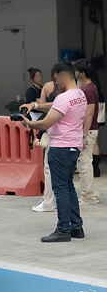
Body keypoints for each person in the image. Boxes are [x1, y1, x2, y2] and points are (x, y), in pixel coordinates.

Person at [21, 63, 86, 243]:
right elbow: (55, 106)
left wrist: (28, 123)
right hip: (74, 147)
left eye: (56, 80)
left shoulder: (64, 98)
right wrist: (34, 105)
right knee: (68, 186)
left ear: (62, 76)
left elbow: (45, 123)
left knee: (60, 188)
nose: (55, 84)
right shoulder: (80, 95)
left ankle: (63, 228)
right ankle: (76, 226)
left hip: (60, 148)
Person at [30, 75, 61, 213]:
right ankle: (58, 201)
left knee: (48, 168)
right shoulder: (74, 91)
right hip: (67, 134)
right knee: (64, 173)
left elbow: (45, 107)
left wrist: (37, 105)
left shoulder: (47, 86)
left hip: (51, 130)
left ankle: (48, 202)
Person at [75, 62, 100, 204]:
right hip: (88, 130)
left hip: (88, 130)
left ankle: (88, 196)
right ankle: (87, 194)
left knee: (85, 163)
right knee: (84, 163)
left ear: (82, 73)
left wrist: (83, 134)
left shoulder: (89, 89)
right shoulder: (86, 87)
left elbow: (89, 114)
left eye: (76, 71)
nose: (75, 73)